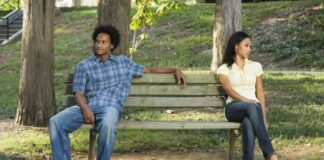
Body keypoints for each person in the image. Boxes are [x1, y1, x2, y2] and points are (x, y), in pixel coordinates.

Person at [48, 25, 186, 160]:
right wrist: (85, 109)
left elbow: (148, 70)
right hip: (87, 107)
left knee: (107, 126)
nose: (99, 45)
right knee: (55, 122)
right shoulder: (84, 66)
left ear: (111, 46)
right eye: (97, 41)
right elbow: (78, 92)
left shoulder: (123, 63)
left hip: (110, 107)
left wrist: (174, 69)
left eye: (103, 42)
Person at [217, 31, 278, 160]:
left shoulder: (255, 66)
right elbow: (229, 91)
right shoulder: (224, 69)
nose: (249, 49)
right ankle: (269, 154)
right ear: (236, 46)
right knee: (252, 106)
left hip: (253, 109)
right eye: (246, 45)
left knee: (248, 122)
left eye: (250, 46)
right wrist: (247, 101)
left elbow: (260, 92)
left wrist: (264, 118)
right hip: (233, 108)